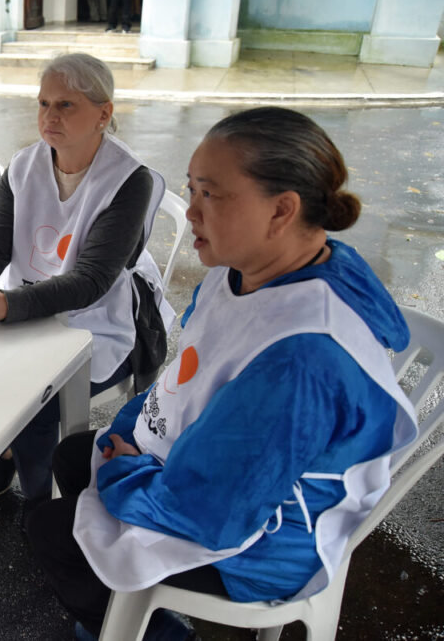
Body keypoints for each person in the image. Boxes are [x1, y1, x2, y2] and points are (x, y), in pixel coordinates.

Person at [25, 107, 418, 640]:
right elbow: (190, 374)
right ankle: (117, 609)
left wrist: (125, 473)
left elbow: (213, 514)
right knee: (73, 455)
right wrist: (130, 434)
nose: (190, 213)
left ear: (282, 211)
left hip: (268, 535)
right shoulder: (251, 267)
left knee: (50, 531)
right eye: (192, 190)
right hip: (223, 471)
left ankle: (148, 630)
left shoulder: (302, 357)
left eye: (210, 195)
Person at [0, 53, 171, 505]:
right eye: (43, 104)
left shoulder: (127, 180)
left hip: (97, 324)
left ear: (104, 114)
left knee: (32, 397)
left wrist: (3, 305)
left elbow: (90, 281)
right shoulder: (25, 166)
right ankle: (2, 457)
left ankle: (39, 505)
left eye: (65, 105)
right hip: (30, 311)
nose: (49, 117)